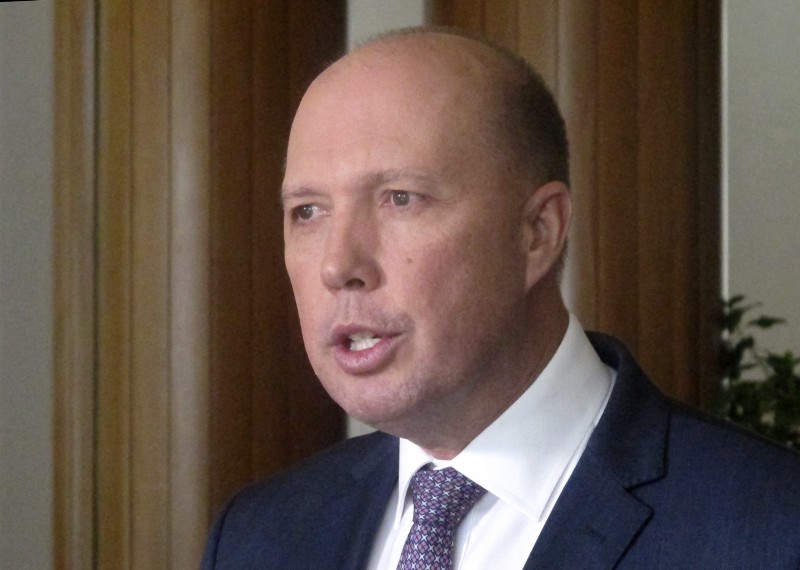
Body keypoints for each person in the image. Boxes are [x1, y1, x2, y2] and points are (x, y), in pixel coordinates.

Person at [202, 28, 800, 569]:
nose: (338, 265)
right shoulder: (258, 535)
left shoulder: (770, 528)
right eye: (306, 212)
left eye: (400, 198)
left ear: (538, 231)